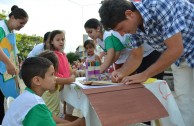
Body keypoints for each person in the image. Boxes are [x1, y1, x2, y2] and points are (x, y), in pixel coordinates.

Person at [99, 0, 194, 125]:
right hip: (182, 58)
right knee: (184, 103)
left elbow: (175, 49)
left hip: (183, 49)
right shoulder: (133, 26)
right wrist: (121, 72)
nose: (122, 34)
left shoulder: (160, 5)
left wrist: (144, 74)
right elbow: (136, 56)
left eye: (121, 28)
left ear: (129, 14)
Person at [2, 57, 85, 126]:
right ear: (37, 80)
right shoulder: (35, 103)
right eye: (52, 74)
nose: (55, 78)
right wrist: (77, 124)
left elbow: (51, 118)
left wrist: (74, 123)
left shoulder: (29, 95)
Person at [84, 18, 163, 79]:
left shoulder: (108, 35)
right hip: (136, 58)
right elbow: (111, 54)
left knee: (153, 81)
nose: (89, 35)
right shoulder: (103, 38)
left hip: (145, 54)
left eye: (90, 32)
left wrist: (102, 69)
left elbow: (113, 54)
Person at [0, 5, 28, 123]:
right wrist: (8, 63)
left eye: (24, 24)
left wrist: (16, 65)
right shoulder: (1, 27)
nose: (22, 26)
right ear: (12, 17)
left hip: (6, 72)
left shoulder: (11, 31)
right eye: (21, 23)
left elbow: (13, 51)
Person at [39, 50, 77, 121]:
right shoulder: (55, 80)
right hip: (53, 117)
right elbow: (71, 80)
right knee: (81, 122)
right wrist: (73, 74)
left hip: (47, 116)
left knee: (77, 120)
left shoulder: (41, 82)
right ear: (55, 67)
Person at [47, 30, 75, 116]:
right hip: (59, 85)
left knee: (70, 104)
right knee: (59, 108)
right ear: (52, 41)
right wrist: (67, 79)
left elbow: (68, 69)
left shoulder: (63, 54)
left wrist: (73, 72)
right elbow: (54, 73)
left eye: (63, 39)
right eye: (58, 40)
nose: (61, 42)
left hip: (67, 83)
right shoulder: (52, 55)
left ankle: (67, 117)